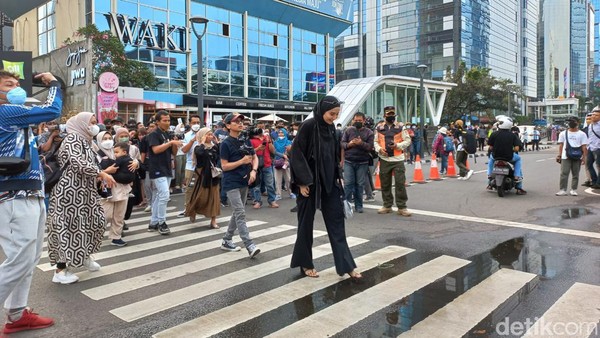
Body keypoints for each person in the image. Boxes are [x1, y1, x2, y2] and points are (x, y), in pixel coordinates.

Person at [0, 71, 61, 334]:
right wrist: (54, 83)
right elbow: (52, 109)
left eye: (17, 84)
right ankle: (15, 314)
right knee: (20, 259)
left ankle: (17, 314)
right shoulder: (5, 113)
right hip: (13, 195)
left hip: (30, 192)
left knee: (29, 257)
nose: (16, 89)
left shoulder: (16, 118)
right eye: (8, 85)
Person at [289, 96, 362, 279]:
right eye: (331, 114)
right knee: (305, 225)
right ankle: (305, 263)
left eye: (337, 114)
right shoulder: (308, 126)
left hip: (329, 183)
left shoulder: (331, 129)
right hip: (309, 184)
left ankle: (347, 265)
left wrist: (338, 178)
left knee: (337, 224)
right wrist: (302, 182)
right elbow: (297, 154)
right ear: (322, 110)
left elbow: (333, 156)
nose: (334, 117)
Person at [47, 112, 118, 284]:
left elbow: (91, 164)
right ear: (81, 124)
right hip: (69, 192)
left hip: (85, 191)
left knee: (94, 222)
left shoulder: (87, 142)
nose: (94, 126)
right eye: (91, 123)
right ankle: (60, 270)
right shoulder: (73, 139)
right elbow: (77, 162)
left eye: (94, 122)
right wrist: (100, 173)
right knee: (68, 228)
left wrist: (99, 177)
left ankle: (84, 256)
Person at [219, 113, 261, 258]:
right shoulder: (225, 144)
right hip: (231, 182)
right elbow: (224, 166)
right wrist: (241, 162)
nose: (240, 123)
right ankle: (249, 244)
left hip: (245, 180)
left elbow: (254, 157)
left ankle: (227, 239)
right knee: (240, 213)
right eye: (236, 121)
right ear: (228, 125)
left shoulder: (245, 140)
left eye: (242, 121)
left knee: (238, 211)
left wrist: (254, 171)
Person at [96, 132, 137, 247]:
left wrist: (135, 163)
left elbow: (134, 160)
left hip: (122, 188)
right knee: (106, 215)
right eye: (104, 139)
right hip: (106, 188)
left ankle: (116, 237)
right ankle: (93, 234)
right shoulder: (96, 154)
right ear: (99, 140)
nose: (108, 140)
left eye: (110, 138)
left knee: (119, 215)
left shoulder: (120, 152)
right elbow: (93, 171)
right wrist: (107, 172)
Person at [146, 111, 181, 234]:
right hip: (157, 168)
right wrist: (170, 143)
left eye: (168, 120)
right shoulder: (154, 134)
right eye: (164, 120)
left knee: (159, 196)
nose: (167, 123)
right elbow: (155, 150)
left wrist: (175, 143)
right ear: (157, 122)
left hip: (167, 167)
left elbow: (174, 153)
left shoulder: (167, 134)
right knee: (165, 195)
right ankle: (162, 222)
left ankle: (153, 222)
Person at [373, 106, 412, 216]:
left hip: (398, 159)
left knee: (400, 183)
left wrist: (397, 145)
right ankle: (387, 205)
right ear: (384, 115)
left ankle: (402, 207)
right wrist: (379, 149)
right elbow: (375, 141)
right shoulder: (379, 127)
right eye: (388, 114)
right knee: (385, 184)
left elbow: (408, 140)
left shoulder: (401, 127)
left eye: (392, 114)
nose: (391, 116)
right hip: (385, 159)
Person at [185, 127, 221, 227]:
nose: (210, 136)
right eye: (208, 134)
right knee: (200, 196)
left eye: (211, 134)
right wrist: (202, 142)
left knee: (214, 197)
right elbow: (200, 153)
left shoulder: (214, 147)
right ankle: (193, 211)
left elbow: (219, 155)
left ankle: (213, 220)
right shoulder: (198, 147)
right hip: (202, 174)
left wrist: (217, 142)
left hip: (213, 174)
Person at [341, 112, 374, 213]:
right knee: (348, 184)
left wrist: (361, 143)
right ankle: (346, 206)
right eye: (356, 120)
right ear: (353, 120)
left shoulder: (369, 133)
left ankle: (359, 205)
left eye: (360, 120)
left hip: (362, 162)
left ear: (364, 121)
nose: (358, 122)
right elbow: (342, 144)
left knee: (360, 184)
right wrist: (349, 144)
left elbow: (370, 147)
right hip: (349, 161)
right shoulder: (348, 130)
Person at [486, 116, 526, 195]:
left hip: (496, 156)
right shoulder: (513, 135)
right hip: (509, 157)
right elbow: (517, 148)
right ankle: (517, 179)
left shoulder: (494, 134)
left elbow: (490, 147)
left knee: (491, 159)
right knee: (518, 160)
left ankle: (489, 175)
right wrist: (511, 149)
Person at [555, 117, 588, 196]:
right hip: (566, 156)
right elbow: (561, 145)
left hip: (577, 157)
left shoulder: (582, 134)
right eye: (570, 122)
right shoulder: (563, 133)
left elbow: (584, 147)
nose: (571, 123)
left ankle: (573, 189)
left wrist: (584, 157)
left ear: (578, 123)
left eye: (573, 121)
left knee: (575, 174)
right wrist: (559, 155)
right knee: (564, 173)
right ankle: (562, 190)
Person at [250, 126, 278, 208]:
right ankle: (257, 201)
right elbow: (249, 152)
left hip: (267, 163)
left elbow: (273, 151)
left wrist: (269, 142)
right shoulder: (251, 140)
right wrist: (258, 148)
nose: (260, 133)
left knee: (270, 184)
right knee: (256, 186)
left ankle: (272, 201)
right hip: (256, 165)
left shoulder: (267, 138)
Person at [179, 115, 202, 217]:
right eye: (194, 123)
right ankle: (187, 208)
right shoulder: (187, 135)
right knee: (189, 188)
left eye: (198, 122)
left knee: (202, 188)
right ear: (190, 124)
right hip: (191, 166)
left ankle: (200, 208)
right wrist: (193, 140)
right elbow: (184, 150)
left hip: (203, 166)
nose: (196, 125)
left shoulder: (205, 133)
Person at [273, 128, 294, 200]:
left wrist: (286, 158)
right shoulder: (275, 142)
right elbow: (274, 151)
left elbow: (289, 150)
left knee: (288, 178)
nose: (280, 134)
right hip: (277, 162)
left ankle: (291, 192)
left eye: (282, 133)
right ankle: (278, 194)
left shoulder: (288, 141)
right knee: (277, 179)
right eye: (279, 133)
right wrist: (282, 155)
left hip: (286, 161)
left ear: (285, 133)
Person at [585, 107, 600, 189]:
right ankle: (594, 180)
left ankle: (599, 183)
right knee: (588, 164)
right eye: (593, 115)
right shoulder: (590, 125)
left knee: (599, 166)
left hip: (598, 148)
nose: (593, 116)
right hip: (591, 148)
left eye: (596, 115)